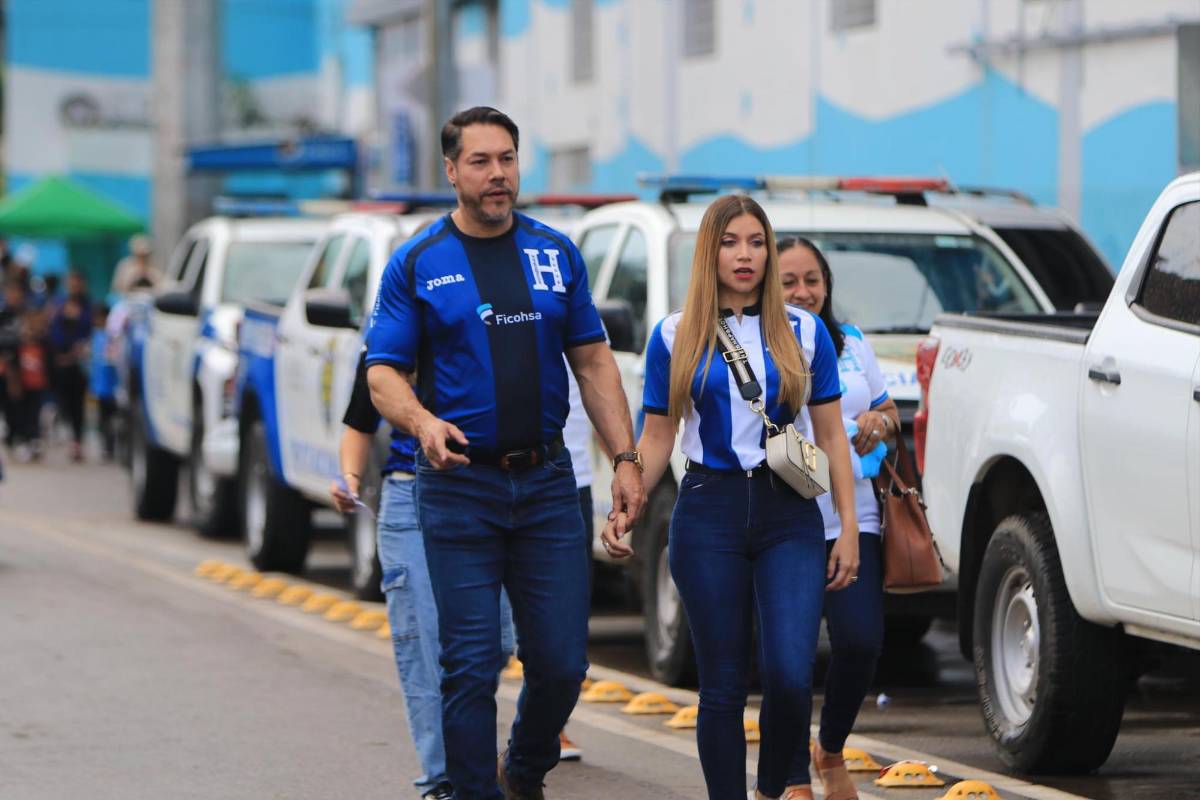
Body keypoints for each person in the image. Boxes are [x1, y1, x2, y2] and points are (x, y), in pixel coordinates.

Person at [365, 106, 644, 800]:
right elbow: (381, 374)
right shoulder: (418, 262)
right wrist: (423, 421)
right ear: (452, 170)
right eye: (482, 162)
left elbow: (593, 361)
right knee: (469, 665)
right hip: (459, 486)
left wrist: (627, 458)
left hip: (548, 484)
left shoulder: (556, 253)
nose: (498, 175)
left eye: (508, 160)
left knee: (561, 664)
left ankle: (521, 774)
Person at [603, 195, 860, 800]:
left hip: (789, 514)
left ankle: (773, 788)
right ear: (708, 252)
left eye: (755, 242)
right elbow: (659, 433)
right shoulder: (675, 332)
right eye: (729, 242)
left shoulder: (805, 329)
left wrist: (846, 526)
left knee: (791, 675)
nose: (744, 255)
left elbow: (830, 436)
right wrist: (630, 497)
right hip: (708, 512)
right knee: (720, 683)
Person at [774, 236, 900, 800]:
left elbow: (890, 410)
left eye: (812, 280)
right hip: (787, 522)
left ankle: (828, 747)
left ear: (827, 285)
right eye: (789, 282)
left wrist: (880, 419)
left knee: (859, 642)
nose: (802, 292)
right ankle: (794, 777)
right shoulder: (755, 345)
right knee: (791, 657)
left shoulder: (851, 344)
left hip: (856, 519)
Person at [48, 270, 92, 462]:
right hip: (60, 361)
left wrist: (74, 353)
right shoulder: (59, 305)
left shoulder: (87, 306)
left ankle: (77, 440)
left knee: (78, 404)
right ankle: (66, 434)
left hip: (79, 363)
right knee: (62, 401)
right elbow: (53, 331)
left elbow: (88, 332)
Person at [89, 304, 119, 461]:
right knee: (103, 419)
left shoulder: (111, 337)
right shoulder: (95, 336)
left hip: (112, 388)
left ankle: (111, 447)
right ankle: (106, 447)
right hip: (99, 387)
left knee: (112, 419)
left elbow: (112, 361)